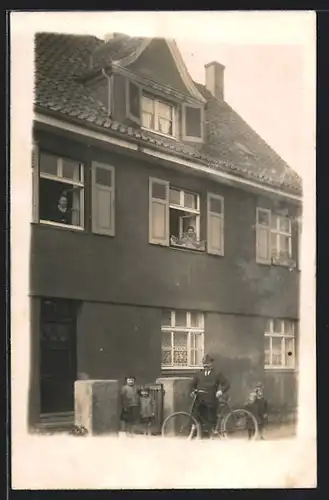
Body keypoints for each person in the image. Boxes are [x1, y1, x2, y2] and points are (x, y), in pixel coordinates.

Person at [190, 354, 230, 437]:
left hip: (211, 400)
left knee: (210, 417)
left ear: (211, 364)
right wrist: (193, 391)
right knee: (195, 413)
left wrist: (220, 391)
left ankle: (212, 434)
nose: (206, 367)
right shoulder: (199, 374)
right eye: (204, 365)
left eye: (208, 365)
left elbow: (226, 384)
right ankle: (197, 434)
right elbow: (192, 385)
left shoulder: (217, 374)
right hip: (200, 399)